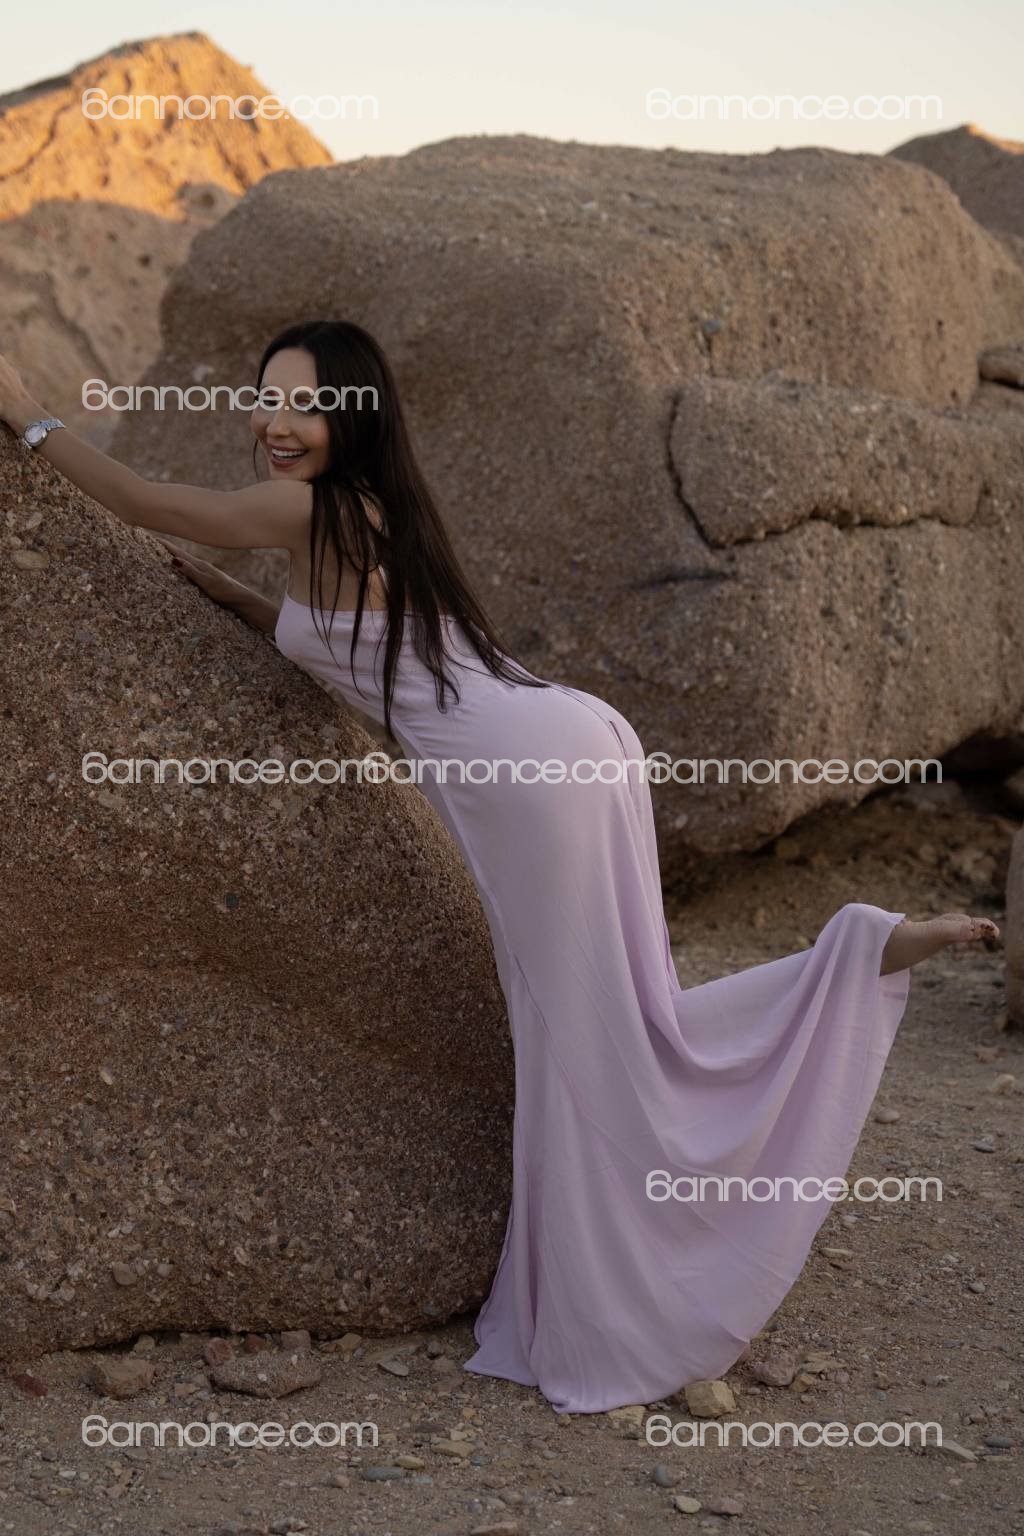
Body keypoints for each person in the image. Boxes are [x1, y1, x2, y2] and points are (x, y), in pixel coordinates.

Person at [0, 320, 999, 1415]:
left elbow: (143, 500)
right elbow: (365, 651)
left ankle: (631, 1309)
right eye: (267, 398)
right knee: (631, 1014)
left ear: (353, 420)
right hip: (572, 741)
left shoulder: (308, 509)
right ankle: (857, 955)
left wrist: (27, 412)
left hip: (533, 775)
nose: (278, 424)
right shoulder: (374, 513)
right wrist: (245, 607)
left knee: (582, 1037)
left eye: (307, 405)